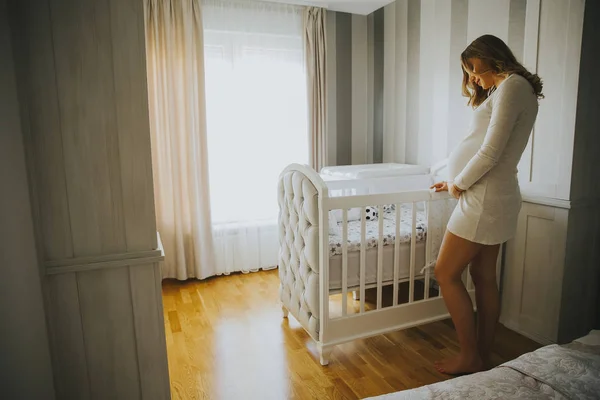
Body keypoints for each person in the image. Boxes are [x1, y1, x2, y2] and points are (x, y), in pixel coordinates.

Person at [430, 34, 544, 375]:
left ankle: (470, 357)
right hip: (490, 194)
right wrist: (452, 180)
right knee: (483, 275)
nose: (471, 78)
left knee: (445, 272)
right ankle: (482, 354)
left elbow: (491, 152)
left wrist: (459, 185)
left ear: (489, 56)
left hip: (484, 197)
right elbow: (486, 146)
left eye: (472, 68)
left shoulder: (511, 86)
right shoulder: (510, 88)